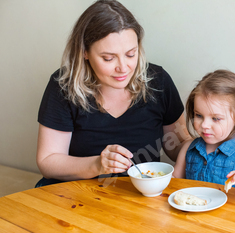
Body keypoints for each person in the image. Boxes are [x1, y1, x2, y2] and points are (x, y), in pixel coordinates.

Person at [35, 0, 190, 187]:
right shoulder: (63, 86)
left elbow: (178, 145)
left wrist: (219, 142)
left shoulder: (158, 81)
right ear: (85, 52)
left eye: (131, 54)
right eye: (108, 58)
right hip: (73, 194)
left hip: (136, 196)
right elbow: (48, 161)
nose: (123, 68)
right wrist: (97, 165)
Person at [172, 70, 235, 198]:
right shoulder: (188, 148)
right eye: (199, 115)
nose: (204, 125)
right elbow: (174, 181)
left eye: (215, 118)